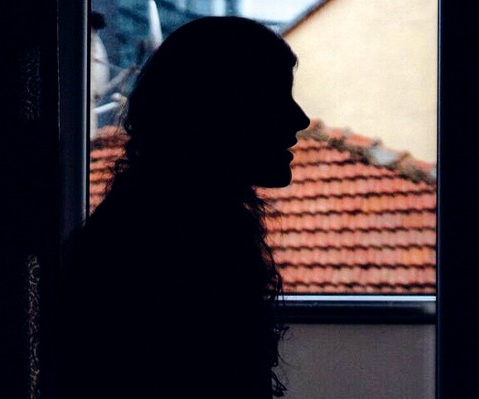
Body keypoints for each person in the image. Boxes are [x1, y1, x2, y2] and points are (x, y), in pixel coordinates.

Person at [55, 16, 311, 398]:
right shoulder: (177, 250)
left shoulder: (148, 228)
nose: (300, 118)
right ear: (218, 113)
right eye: (274, 98)